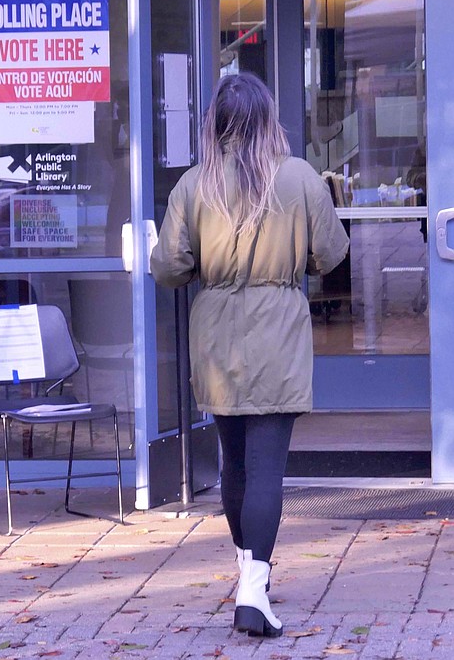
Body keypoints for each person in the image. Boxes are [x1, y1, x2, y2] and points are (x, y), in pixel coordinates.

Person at [150, 72, 349, 638]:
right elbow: (331, 253)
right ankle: (253, 589)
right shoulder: (300, 177)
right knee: (266, 468)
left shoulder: (193, 185)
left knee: (233, 464)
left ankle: (248, 581)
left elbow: (168, 268)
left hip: (215, 335)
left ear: (214, 124)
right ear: (268, 120)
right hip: (278, 333)